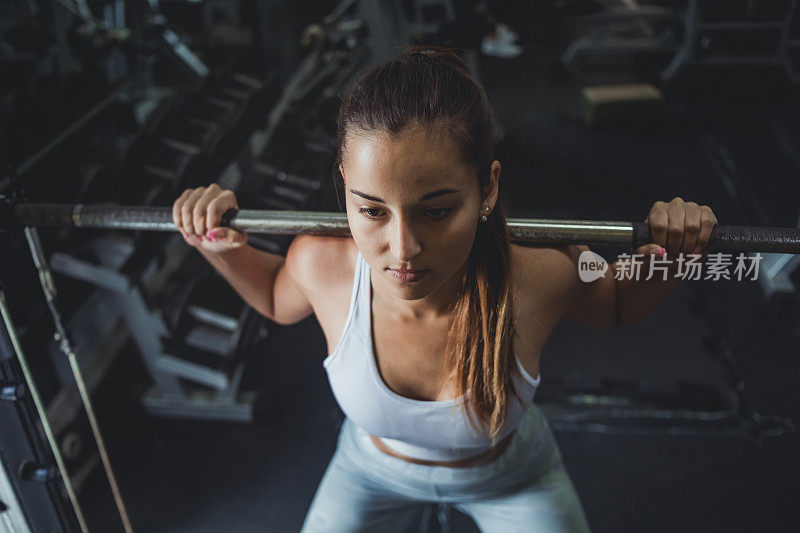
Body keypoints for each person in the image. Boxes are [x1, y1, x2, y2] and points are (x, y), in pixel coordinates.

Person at [172, 46, 718, 532]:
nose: (403, 247)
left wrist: (672, 251)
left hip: (511, 477)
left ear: (488, 188)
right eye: (371, 210)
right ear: (343, 185)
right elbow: (272, 295)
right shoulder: (322, 263)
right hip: (369, 472)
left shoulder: (542, 270)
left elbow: (617, 299)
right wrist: (217, 242)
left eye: (436, 210)